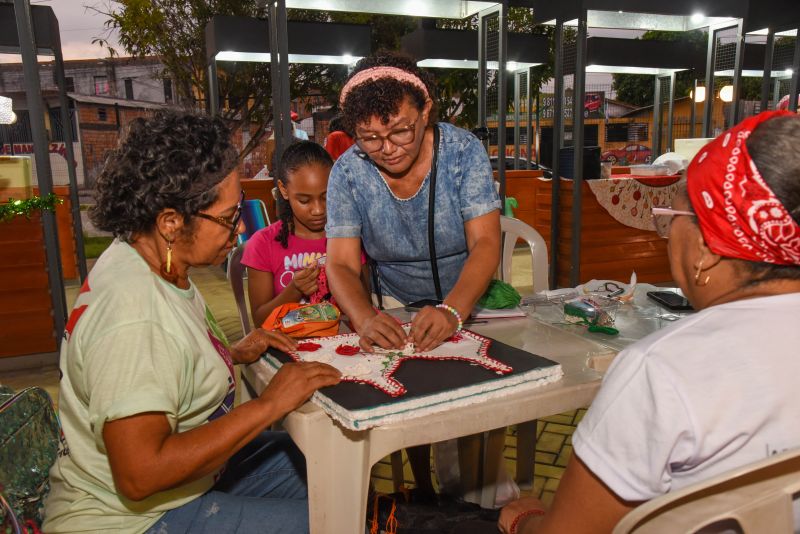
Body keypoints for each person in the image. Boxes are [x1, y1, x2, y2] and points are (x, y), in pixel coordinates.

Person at [498, 110, 800, 533]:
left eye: (672, 219)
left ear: (707, 248)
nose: (668, 233)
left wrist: (525, 518)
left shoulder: (665, 370)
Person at [43, 110, 341, 534]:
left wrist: (232, 353)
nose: (237, 230)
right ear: (170, 222)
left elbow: (163, 361)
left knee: (335, 465)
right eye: (228, 217)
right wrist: (268, 405)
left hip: (190, 483)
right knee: (338, 520)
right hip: (131, 521)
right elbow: (140, 474)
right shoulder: (134, 317)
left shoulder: (147, 258)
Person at [325, 51, 502, 501]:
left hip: (466, 297)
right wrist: (364, 317)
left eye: (401, 129)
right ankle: (424, 495)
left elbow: (485, 243)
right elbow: (342, 264)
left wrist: (453, 310)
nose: (388, 147)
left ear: (426, 110)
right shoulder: (348, 171)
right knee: (401, 405)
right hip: (391, 305)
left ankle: (475, 499)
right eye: (370, 137)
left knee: (481, 402)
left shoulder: (463, 152)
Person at [242, 141, 332, 328]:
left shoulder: (346, 238)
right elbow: (260, 321)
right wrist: (294, 290)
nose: (317, 210)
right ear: (283, 190)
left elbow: (363, 300)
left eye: (326, 197)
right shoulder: (263, 243)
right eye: (304, 200)